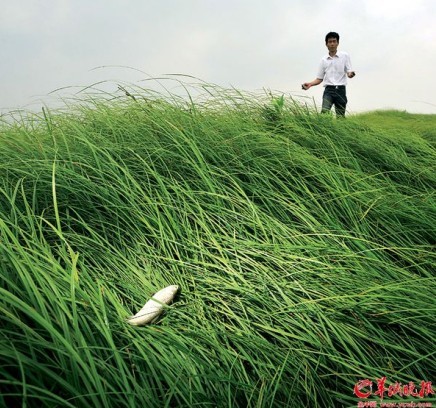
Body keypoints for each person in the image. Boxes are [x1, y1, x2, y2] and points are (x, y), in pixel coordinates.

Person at [302, 32, 355, 117]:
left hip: (341, 90)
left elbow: (349, 71)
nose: (332, 44)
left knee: (340, 117)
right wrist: (310, 84)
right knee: (324, 114)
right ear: (326, 44)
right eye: (330, 42)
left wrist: (350, 74)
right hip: (328, 91)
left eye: (334, 41)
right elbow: (319, 78)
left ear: (338, 43)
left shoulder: (344, 56)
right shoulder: (324, 60)